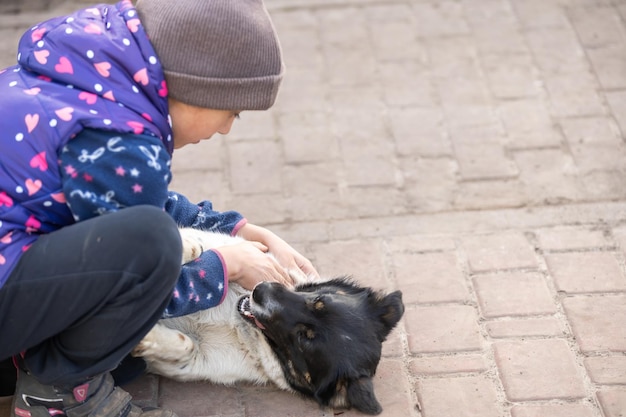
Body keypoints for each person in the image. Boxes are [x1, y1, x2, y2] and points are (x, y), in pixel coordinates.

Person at [0, 0, 319, 416]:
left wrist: (237, 230)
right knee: (151, 243)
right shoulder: (119, 138)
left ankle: (20, 361)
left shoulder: (86, 88)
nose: (225, 128)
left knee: (124, 356)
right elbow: (141, 272)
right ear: (198, 88)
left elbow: (121, 205)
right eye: (232, 112)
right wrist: (226, 267)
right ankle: (58, 397)